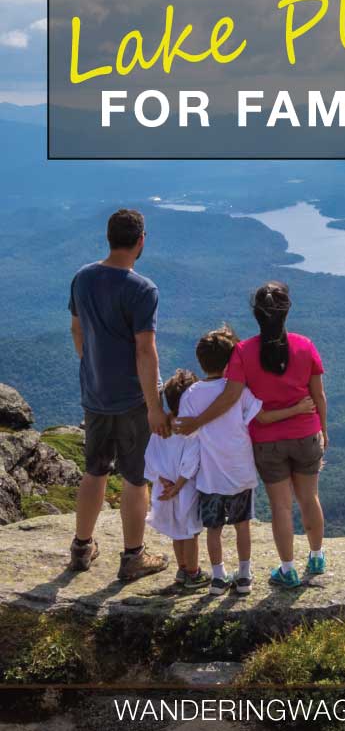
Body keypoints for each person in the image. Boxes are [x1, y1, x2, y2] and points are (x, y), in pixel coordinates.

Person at [174, 283, 327, 589]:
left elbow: (230, 397)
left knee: (281, 507)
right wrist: (324, 429)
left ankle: (288, 569)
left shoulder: (243, 352)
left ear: (256, 314)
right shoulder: (305, 345)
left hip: (268, 442)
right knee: (309, 497)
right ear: (287, 311)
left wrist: (197, 422)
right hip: (307, 432)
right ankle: (316, 556)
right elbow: (319, 395)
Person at [68, 208, 170, 582]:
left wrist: (92, 364)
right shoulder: (142, 289)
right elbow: (145, 351)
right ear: (141, 241)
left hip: (94, 393)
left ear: (109, 237)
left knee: (94, 470)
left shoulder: (82, 278)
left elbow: (77, 330)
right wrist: (154, 406)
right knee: (134, 477)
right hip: (131, 398)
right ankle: (132, 557)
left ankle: (81, 548)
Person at [144, 369, 208, 589]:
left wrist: (163, 481)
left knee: (176, 532)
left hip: (163, 488)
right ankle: (193, 572)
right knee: (190, 532)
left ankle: (181, 570)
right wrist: (178, 487)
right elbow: (191, 463)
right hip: (185, 489)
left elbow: (150, 457)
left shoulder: (161, 428)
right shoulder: (192, 430)